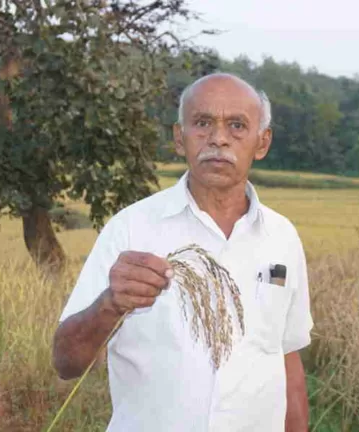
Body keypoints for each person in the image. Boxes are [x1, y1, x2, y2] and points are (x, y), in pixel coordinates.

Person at [53, 72, 313, 431]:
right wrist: (110, 303)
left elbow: (286, 358)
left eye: (237, 125)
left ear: (262, 142)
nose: (218, 138)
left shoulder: (282, 237)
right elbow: (66, 364)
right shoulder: (131, 229)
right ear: (180, 138)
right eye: (202, 123)